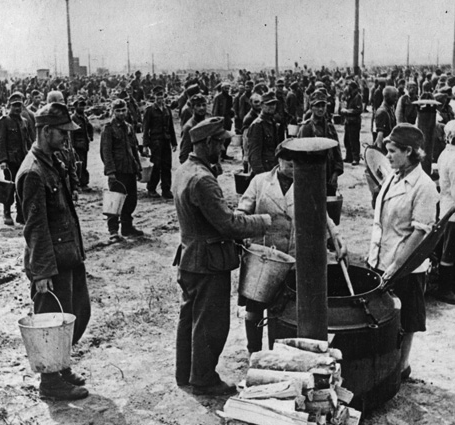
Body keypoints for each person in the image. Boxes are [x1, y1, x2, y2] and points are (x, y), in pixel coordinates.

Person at [172, 117, 271, 396]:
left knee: (189, 318)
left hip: (190, 257)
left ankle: (186, 373)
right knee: (211, 324)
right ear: (207, 144)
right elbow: (228, 224)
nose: (223, 147)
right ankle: (203, 379)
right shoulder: (203, 180)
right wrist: (261, 221)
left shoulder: (184, 170)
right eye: (220, 142)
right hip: (208, 261)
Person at [237, 141, 348, 354]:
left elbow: (322, 215)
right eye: (287, 159)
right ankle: (254, 350)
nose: (291, 164)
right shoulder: (260, 182)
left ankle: (284, 351)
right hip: (265, 258)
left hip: (296, 256)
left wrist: (336, 238)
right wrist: (243, 234)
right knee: (255, 307)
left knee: (289, 308)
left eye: (295, 160)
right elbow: (243, 211)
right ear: (278, 159)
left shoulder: (307, 181)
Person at [16, 103, 90, 401]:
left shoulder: (51, 162)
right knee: (51, 320)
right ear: (45, 131)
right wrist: (42, 271)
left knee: (78, 314)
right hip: (51, 263)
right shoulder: (33, 172)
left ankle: (60, 366)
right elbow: (35, 227)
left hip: (68, 256)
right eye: (62, 132)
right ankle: (50, 381)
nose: (66, 138)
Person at [367, 123, 439, 382]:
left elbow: (419, 234)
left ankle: (401, 367)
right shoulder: (393, 176)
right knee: (383, 316)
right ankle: (386, 364)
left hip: (405, 266)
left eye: (392, 151)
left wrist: (396, 266)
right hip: (380, 260)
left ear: (409, 151)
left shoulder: (424, 187)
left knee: (406, 320)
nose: (387, 156)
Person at [101, 99, 144, 241]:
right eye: (118, 110)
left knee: (131, 200)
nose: (121, 113)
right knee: (114, 201)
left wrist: (138, 167)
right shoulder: (108, 128)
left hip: (129, 169)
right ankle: (113, 230)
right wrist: (110, 172)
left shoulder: (129, 127)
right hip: (117, 171)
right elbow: (105, 152)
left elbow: (134, 149)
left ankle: (127, 227)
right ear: (112, 111)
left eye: (123, 110)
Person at [298, 90, 343, 196]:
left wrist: (336, 173)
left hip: (329, 175)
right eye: (317, 106)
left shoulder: (329, 127)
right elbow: (301, 157)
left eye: (323, 105)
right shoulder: (306, 128)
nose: (321, 109)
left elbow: (337, 151)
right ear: (311, 107)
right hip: (313, 176)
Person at [0, 92, 31, 225]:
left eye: (19, 105)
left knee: (22, 187)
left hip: (23, 159)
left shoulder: (24, 122)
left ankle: (21, 214)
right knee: (9, 187)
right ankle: (7, 212)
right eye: (15, 106)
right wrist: (2, 160)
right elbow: (0, 142)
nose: (17, 108)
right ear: (10, 106)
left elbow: (27, 141)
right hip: (10, 161)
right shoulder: (4, 121)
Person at [143, 86, 177, 199]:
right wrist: (145, 145)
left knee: (167, 166)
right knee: (156, 166)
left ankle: (166, 190)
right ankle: (151, 188)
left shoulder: (167, 110)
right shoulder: (150, 110)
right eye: (158, 96)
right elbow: (145, 129)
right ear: (154, 97)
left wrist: (174, 142)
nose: (160, 99)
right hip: (155, 142)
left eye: (161, 96)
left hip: (166, 141)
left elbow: (171, 127)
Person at [434, 120, 455, 304]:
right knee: (449, 252)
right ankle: (445, 288)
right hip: (452, 213)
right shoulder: (454, 159)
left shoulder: (444, 154)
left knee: (447, 249)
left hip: (445, 207)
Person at [246, 91, 280, 175]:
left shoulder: (272, 122)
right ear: (261, 105)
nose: (272, 107)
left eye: (274, 104)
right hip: (263, 170)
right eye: (268, 104)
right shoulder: (257, 125)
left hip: (273, 168)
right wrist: (261, 176)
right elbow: (254, 155)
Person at [70, 97, 94, 190]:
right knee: (79, 165)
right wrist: (72, 147)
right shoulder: (73, 118)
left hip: (84, 145)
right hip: (77, 145)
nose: (82, 108)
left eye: (84, 106)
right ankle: (81, 184)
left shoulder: (84, 117)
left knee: (84, 164)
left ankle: (83, 183)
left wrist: (90, 136)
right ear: (75, 106)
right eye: (80, 105)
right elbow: (71, 133)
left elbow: (89, 127)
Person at [179, 93, 207, 164]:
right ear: (192, 108)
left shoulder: (206, 123)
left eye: (204, 105)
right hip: (195, 165)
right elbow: (184, 155)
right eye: (198, 105)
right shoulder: (189, 127)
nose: (202, 108)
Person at [340, 81, 363, 165]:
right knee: (347, 140)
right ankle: (348, 157)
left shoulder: (357, 97)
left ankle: (355, 158)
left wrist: (347, 111)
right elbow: (343, 103)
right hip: (348, 121)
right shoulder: (349, 96)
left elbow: (359, 110)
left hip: (354, 122)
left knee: (354, 140)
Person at [212, 82, 235, 160]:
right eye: (225, 88)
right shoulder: (218, 97)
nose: (227, 90)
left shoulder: (230, 98)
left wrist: (231, 115)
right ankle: (219, 155)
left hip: (227, 119)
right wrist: (216, 121)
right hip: (220, 120)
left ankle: (224, 154)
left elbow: (231, 108)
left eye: (228, 88)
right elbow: (215, 110)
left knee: (227, 138)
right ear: (222, 89)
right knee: (219, 138)